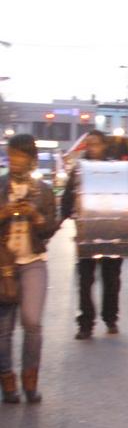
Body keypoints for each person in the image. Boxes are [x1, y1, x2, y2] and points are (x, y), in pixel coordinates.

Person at [0, 135, 60, 405]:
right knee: (3, 329)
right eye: (12, 156)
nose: (15, 161)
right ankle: (7, 380)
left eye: (21, 157)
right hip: (4, 265)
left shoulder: (43, 190)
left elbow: (50, 227)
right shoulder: (1, 186)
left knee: (32, 322)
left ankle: (30, 380)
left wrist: (36, 217)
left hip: (33, 261)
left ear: (32, 160)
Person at [61, 130, 128, 340]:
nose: (92, 148)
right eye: (89, 144)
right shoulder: (79, 170)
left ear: (104, 145)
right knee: (85, 281)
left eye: (96, 144)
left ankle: (110, 318)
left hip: (113, 232)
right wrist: (63, 217)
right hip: (86, 234)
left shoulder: (115, 168)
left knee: (111, 280)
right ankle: (86, 324)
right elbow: (67, 197)